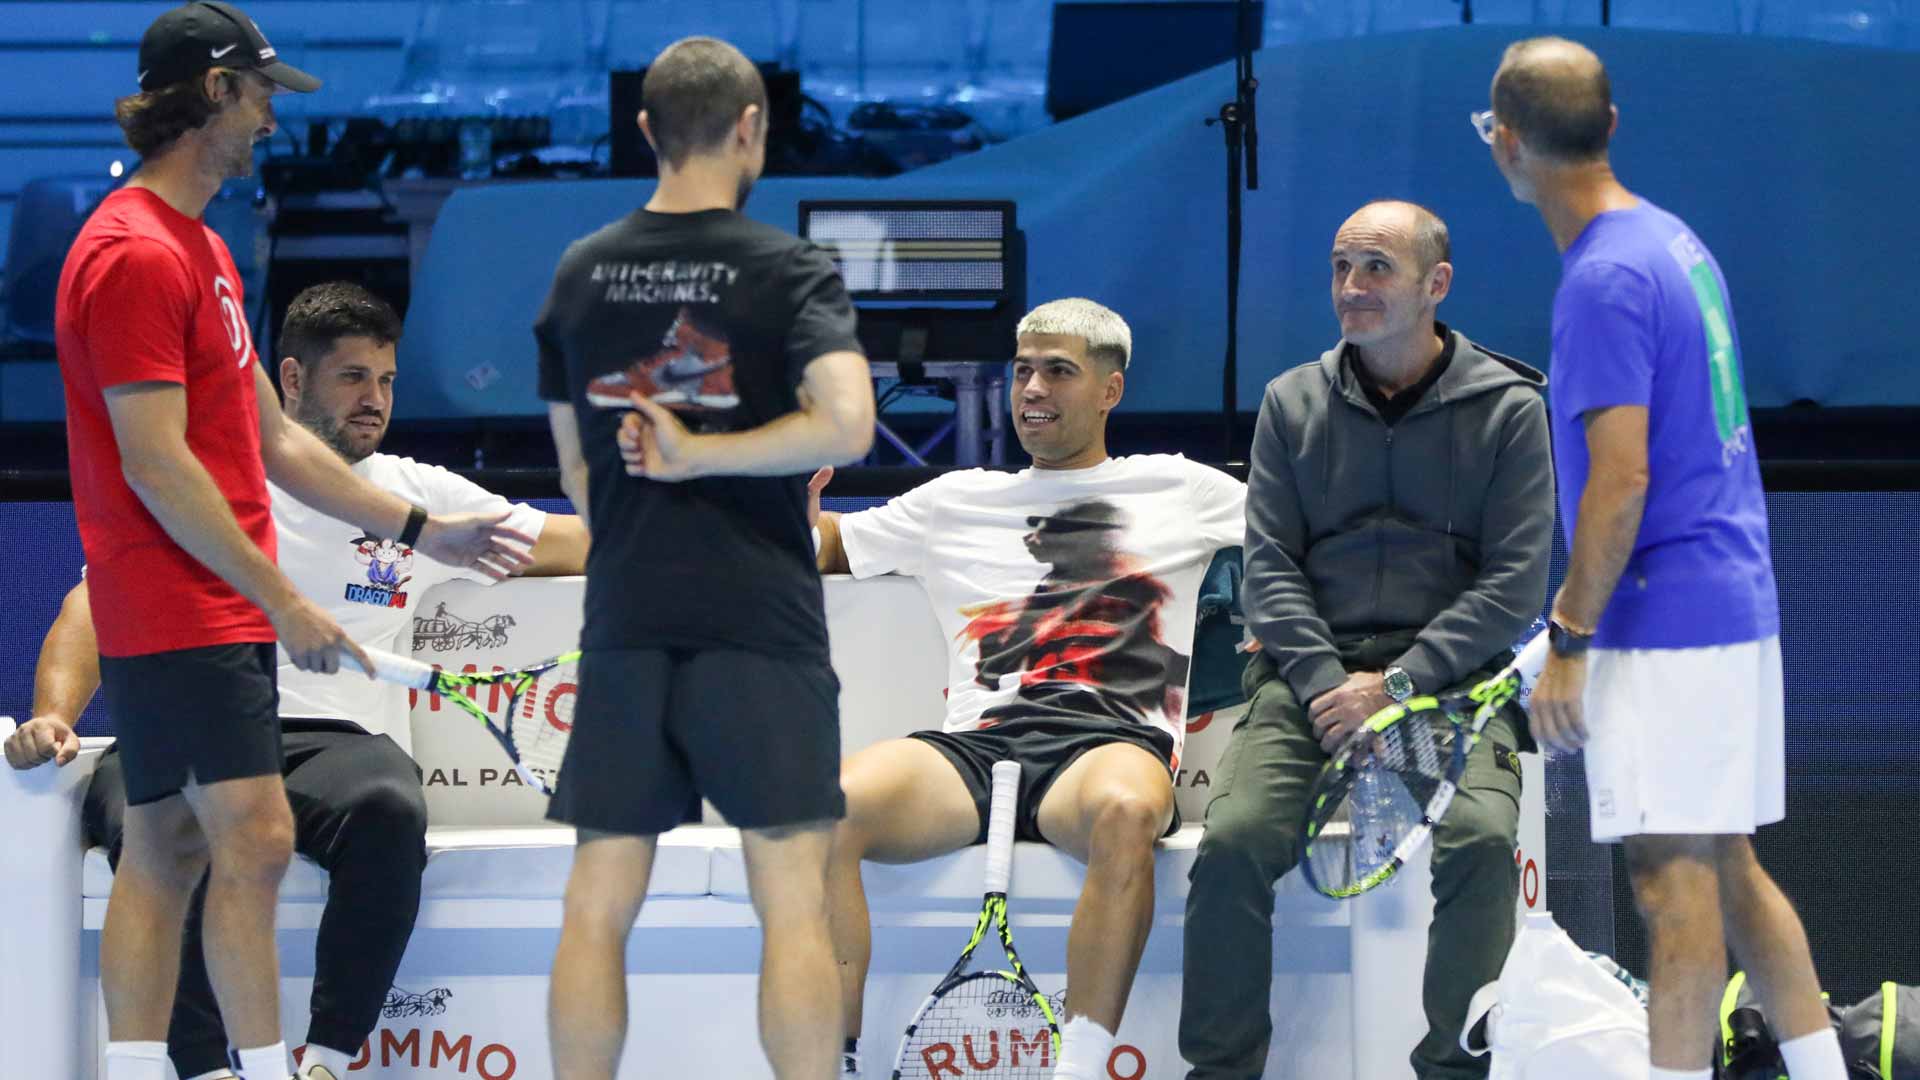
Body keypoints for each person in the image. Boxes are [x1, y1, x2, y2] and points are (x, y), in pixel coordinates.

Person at [55, 7, 533, 1075]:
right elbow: (157, 461)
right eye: (263, 93)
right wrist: (282, 598)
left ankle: (186, 1069)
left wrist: (424, 532)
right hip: (176, 598)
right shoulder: (132, 253)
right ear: (214, 92)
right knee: (250, 839)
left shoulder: (204, 248)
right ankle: (256, 1068)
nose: (275, 118)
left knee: (178, 846)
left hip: (204, 599)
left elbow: (268, 437)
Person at [9, 281, 589, 1080]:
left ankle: (325, 1061)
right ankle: (205, 1069)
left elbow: (576, 544)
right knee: (167, 825)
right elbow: (93, 608)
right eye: (352, 378)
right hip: (188, 732)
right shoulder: (198, 485)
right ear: (289, 380)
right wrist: (52, 715)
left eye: (385, 381)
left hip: (336, 745)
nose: (374, 400)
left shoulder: (420, 497)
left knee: (389, 806)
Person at [1483, 38, 1845, 1080]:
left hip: (1667, 622)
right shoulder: (1672, 241)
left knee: (1668, 878)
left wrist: (1569, 636)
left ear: (1507, 144)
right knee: (1727, 865)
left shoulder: (1602, 278)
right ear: (1610, 125)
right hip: (1727, 607)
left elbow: (1622, 479)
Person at [535, 36, 875, 1080]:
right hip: (759, 622)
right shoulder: (787, 268)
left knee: (599, 899)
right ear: (749, 128)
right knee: (790, 899)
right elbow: (850, 425)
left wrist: (657, 484)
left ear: (645, 131)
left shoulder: (581, 270)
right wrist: (707, 456)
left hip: (628, 615)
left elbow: (577, 475)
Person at [815, 297, 1247, 1080]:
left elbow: (1303, 538)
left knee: (1127, 810)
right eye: (1021, 372)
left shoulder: (1182, 489)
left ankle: (1079, 1067)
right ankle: (834, 1062)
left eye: (1058, 371)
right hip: (974, 750)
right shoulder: (953, 499)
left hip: (1109, 746)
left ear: (1110, 390)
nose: (1033, 390)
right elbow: (833, 544)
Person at [1180, 200, 1554, 1080]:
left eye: (1377, 267)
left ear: (1437, 284)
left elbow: (1516, 584)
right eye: (1341, 267)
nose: (1352, 287)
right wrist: (1324, 686)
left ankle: (1454, 1069)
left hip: (1452, 685)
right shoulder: (1290, 401)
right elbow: (1268, 567)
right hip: (1309, 685)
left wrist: (1395, 686)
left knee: (1478, 843)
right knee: (1231, 846)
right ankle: (1221, 1071)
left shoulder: (1510, 408)